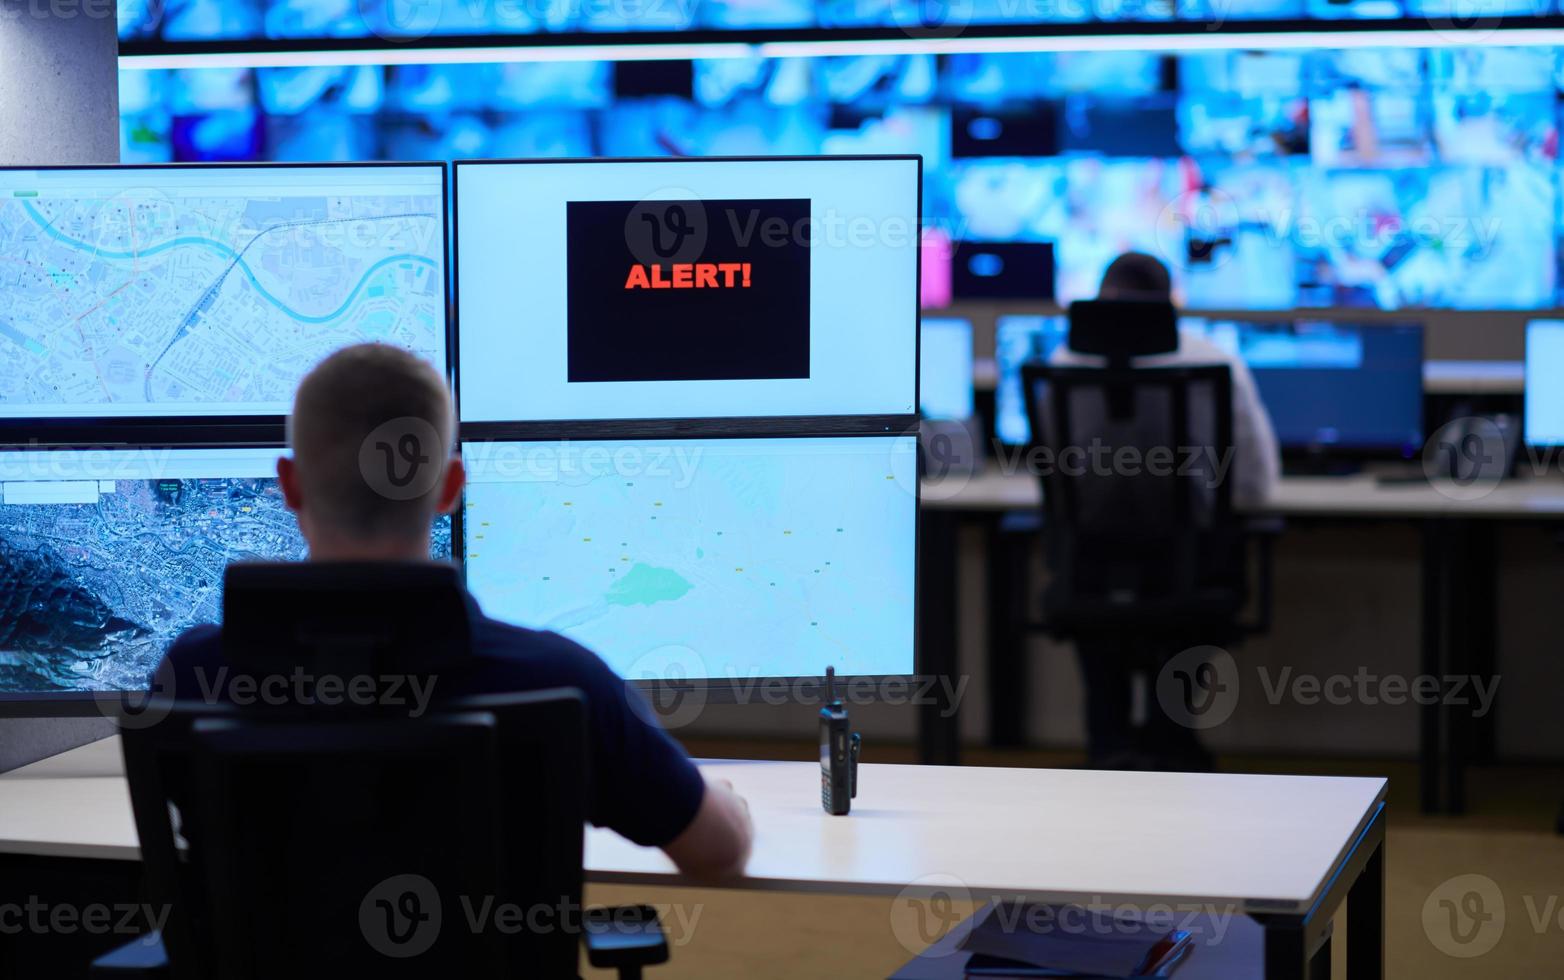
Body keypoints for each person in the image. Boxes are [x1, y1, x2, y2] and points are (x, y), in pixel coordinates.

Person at [158, 343, 753, 882]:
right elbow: (717, 852)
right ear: (450, 488)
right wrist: (721, 797)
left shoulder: (193, 679)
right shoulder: (561, 683)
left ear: (289, 485)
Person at [1050, 252, 1281, 771]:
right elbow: (1256, 487)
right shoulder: (1214, 360)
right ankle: (1168, 738)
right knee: (1189, 583)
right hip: (1189, 576)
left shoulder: (1064, 363)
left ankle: (1108, 742)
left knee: (1099, 598)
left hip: (1089, 578)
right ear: (1170, 305)